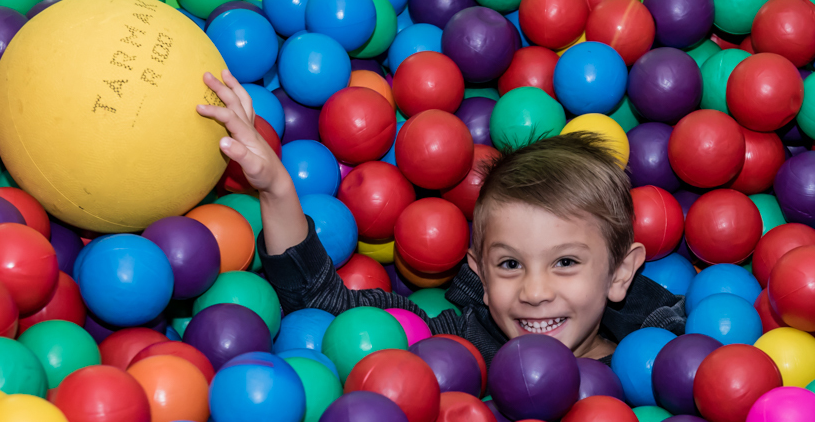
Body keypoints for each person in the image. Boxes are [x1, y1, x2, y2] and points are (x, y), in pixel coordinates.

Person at [197, 70, 685, 366]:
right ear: (479, 270)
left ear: (620, 272)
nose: (535, 292)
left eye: (565, 263)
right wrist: (277, 189)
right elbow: (323, 307)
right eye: (510, 265)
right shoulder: (454, 341)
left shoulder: (664, 357)